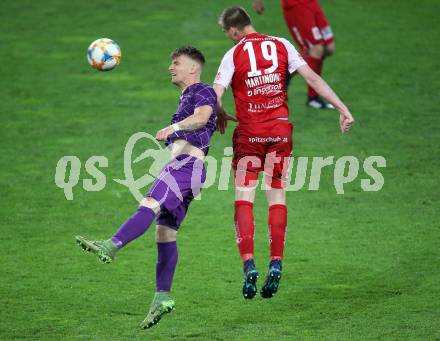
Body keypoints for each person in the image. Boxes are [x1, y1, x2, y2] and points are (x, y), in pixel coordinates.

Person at [213, 6, 353, 299]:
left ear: (234, 30)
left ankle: (249, 262)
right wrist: (342, 108)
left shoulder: (233, 55)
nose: (229, 38)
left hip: (250, 133)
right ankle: (276, 262)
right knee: (276, 194)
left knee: (244, 197)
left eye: (227, 33)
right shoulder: (282, 44)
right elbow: (312, 78)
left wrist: (222, 113)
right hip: (279, 132)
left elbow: (216, 94)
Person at [76, 46, 217, 329]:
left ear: (193, 68)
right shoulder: (189, 96)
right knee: (165, 233)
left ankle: (111, 245)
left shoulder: (202, 90)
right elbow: (205, 119)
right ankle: (162, 296)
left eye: (175, 63)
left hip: (184, 167)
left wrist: (173, 129)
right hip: (190, 171)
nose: (170, 68)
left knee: (149, 204)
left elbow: (202, 117)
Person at [253, 0, 336, 109]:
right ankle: (313, 98)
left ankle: (285, 74)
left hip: (312, 3)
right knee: (316, 48)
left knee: (329, 48)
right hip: (297, 5)